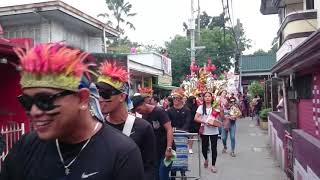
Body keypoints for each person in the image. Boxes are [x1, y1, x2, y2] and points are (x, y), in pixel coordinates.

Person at [0, 43, 144, 180]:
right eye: (27, 102)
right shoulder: (25, 147)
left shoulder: (122, 153)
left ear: (82, 99)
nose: (34, 111)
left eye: (45, 100)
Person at [96, 61, 157, 180]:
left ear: (122, 96)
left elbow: (149, 168)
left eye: (105, 94)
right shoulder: (97, 126)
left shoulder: (143, 127)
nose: (100, 99)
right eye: (98, 94)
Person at [131, 95, 175, 180]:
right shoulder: (144, 116)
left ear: (144, 103)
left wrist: (169, 149)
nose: (139, 112)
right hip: (155, 151)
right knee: (156, 176)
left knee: (163, 175)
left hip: (167, 149)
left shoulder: (159, 111)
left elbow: (169, 129)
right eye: (137, 111)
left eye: (139, 109)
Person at [194, 92, 222, 173]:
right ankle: (206, 159)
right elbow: (196, 118)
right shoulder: (201, 107)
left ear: (212, 97)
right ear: (203, 98)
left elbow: (221, 117)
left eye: (209, 96)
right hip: (205, 131)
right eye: (205, 96)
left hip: (214, 131)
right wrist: (204, 121)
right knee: (204, 148)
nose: (207, 98)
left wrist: (221, 110)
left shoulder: (215, 106)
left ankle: (213, 165)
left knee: (214, 149)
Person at [167, 88, 191, 180]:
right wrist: (172, 130)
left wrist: (182, 131)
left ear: (181, 99)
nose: (175, 100)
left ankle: (183, 173)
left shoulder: (187, 110)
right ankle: (173, 175)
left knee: (182, 155)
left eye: (177, 98)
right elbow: (168, 123)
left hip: (182, 136)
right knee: (173, 154)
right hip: (172, 136)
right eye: (174, 99)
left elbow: (187, 122)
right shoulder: (169, 111)